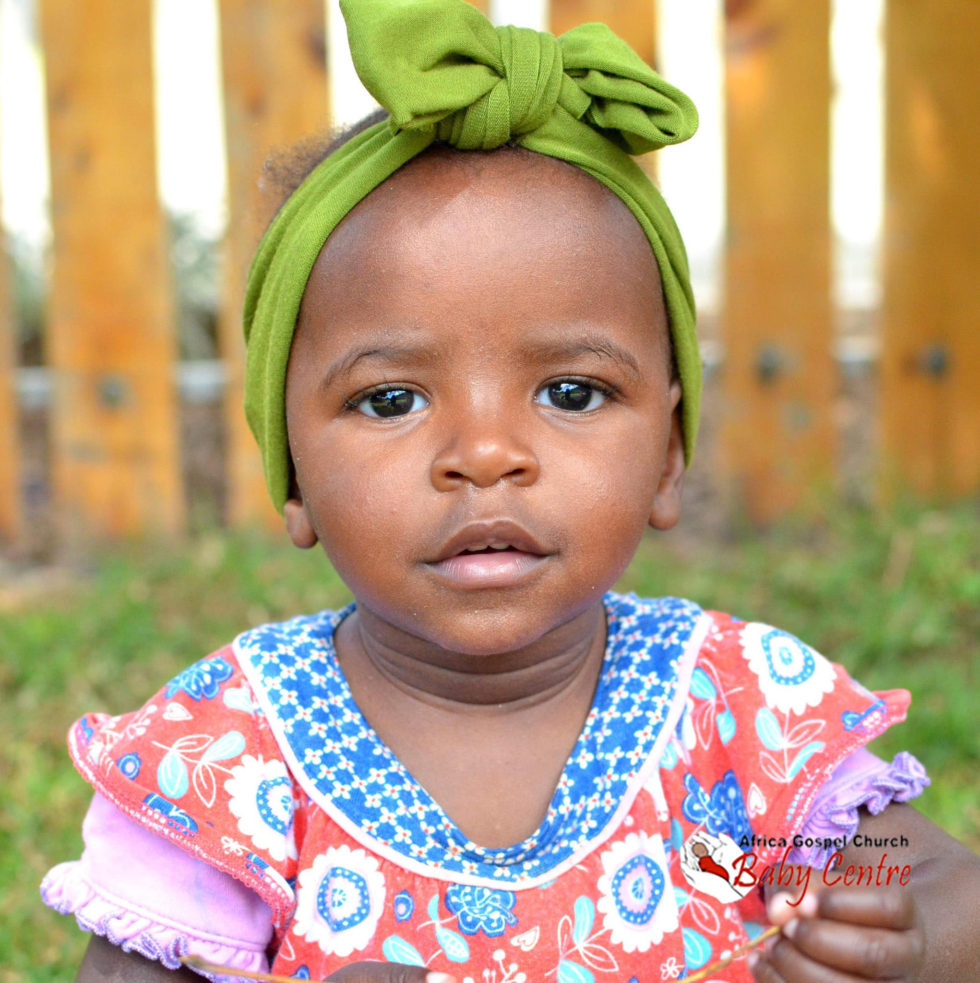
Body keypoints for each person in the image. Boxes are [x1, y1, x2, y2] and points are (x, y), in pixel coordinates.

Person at [41, 0, 980, 980]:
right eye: (391, 397)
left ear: (665, 453)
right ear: (293, 473)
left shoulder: (733, 725)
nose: (484, 452)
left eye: (570, 391)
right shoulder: (231, 757)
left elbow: (936, 884)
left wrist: (897, 940)